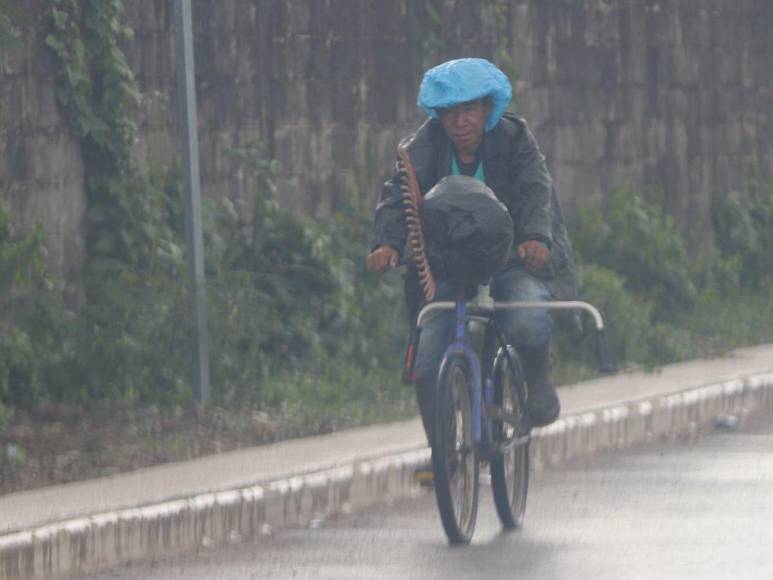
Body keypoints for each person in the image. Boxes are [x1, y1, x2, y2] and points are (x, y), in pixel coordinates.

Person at [366, 58, 576, 445]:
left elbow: (534, 188)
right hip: (449, 266)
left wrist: (535, 238)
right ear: (439, 116)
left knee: (527, 318)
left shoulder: (515, 139)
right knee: (428, 359)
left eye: (468, 111)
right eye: (449, 113)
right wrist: (387, 243)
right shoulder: (423, 147)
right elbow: (399, 195)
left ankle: (538, 379)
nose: (460, 122)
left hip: (511, 259)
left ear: (486, 109)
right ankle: (442, 453)